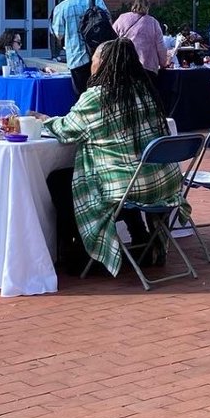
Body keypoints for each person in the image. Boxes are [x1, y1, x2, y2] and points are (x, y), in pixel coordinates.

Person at [41, 39, 181, 276]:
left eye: (94, 57)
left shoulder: (97, 96)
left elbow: (67, 130)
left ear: (104, 62)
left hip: (126, 186)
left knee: (60, 181)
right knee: (125, 170)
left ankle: (83, 251)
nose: (91, 62)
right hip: (162, 184)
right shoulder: (145, 92)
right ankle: (141, 238)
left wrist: (43, 119)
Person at [50, 0, 109, 97]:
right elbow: (108, 23)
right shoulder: (97, 1)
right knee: (101, 95)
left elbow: (59, 34)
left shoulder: (61, 7)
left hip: (77, 57)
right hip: (100, 56)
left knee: (82, 97)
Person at [113, 0, 170, 77]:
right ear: (147, 8)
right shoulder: (153, 22)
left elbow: (112, 39)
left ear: (134, 5)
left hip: (125, 65)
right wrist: (163, 62)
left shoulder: (122, 18)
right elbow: (160, 46)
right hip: (147, 66)